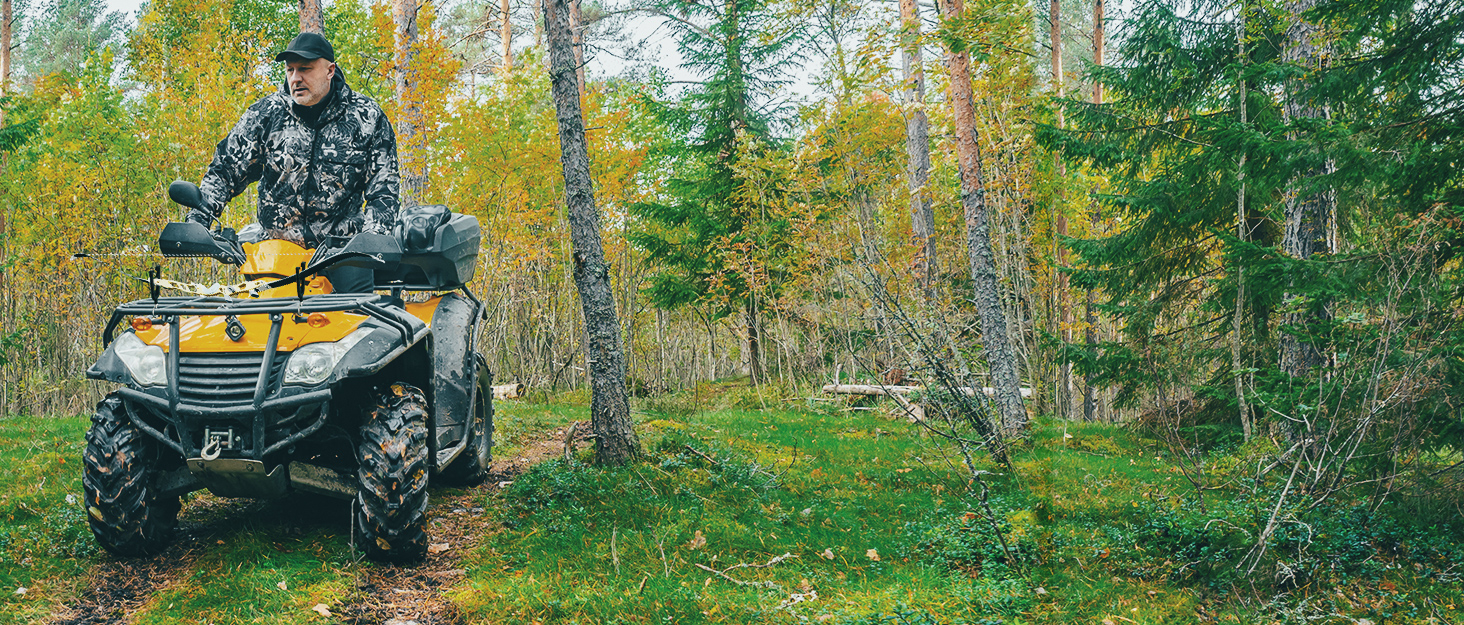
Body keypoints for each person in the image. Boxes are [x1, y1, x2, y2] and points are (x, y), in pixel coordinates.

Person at [184, 32, 399, 292]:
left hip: (344, 255)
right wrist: (197, 221)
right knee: (258, 329)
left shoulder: (367, 117)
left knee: (358, 327)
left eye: (305, 69)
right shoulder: (265, 114)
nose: (295, 78)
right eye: (290, 70)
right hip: (276, 256)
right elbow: (226, 170)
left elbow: (383, 189)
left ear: (330, 70)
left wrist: (373, 239)